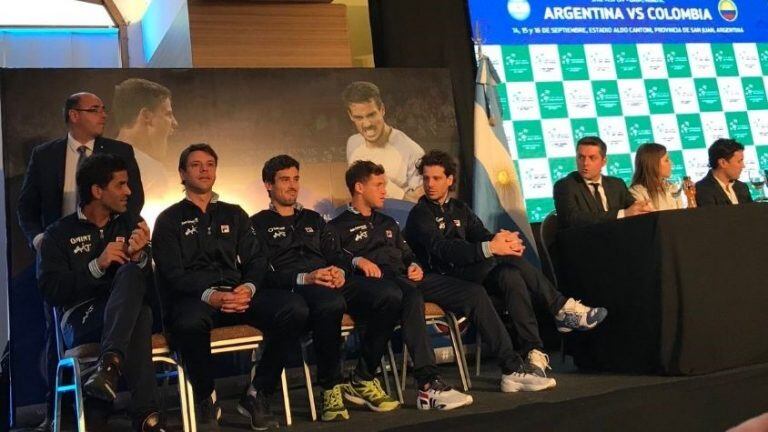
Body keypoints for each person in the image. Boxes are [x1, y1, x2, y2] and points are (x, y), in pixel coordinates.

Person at [404, 150, 608, 391]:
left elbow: (481, 236)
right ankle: (561, 308)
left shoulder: (460, 208)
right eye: (426, 178)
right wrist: (493, 247)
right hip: (444, 276)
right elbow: (444, 250)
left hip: (469, 271)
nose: (429, 184)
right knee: (502, 261)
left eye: (436, 178)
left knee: (510, 275)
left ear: (449, 180)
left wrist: (505, 240)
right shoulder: (420, 214)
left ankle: (531, 354)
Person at [152, 144, 306, 430]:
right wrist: (211, 295)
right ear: (182, 173)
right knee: (187, 321)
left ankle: (258, 393)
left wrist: (247, 287)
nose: (204, 170)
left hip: (238, 295)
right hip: (198, 300)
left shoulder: (234, 213)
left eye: (210, 164)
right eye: (196, 165)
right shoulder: (168, 220)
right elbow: (172, 274)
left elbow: (257, 259)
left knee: (294, 308)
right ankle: (205, 397)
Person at [17, 92, 144, 432]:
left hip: (112, 248)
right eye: (94, 109)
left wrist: (132, 235)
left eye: (103, 108)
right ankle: (56, 412)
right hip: (62, 253)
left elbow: (134, 201)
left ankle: (112, 397)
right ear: (74, 115)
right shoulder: (45, 156)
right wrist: (40, 239)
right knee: (56, 334)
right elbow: (26, 208)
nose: (104, 114)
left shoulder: (120, 151)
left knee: (133, 301)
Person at [250, 155, 401, 422]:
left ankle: (364, 376)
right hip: (296, 287)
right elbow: (261, 274)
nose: (292, 185)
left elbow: (336, 254)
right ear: (268, 185)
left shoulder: (314, 219)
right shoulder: (256, 224)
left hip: (329, 279)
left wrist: (340, 271)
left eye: (296, 179)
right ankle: (330, 387)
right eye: (285, 180)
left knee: (389, 294)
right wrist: (306, 278)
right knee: (329, 303)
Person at [327, 160, 473, 410]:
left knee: (418, 292)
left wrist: (414, 265)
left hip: (400, 282)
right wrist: (357, 260)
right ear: (359, 187)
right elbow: (331, 259)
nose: (385, 190)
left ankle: (369, 377)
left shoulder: (388, 223)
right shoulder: (335, 227)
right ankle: (428, 385)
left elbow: (407, 255)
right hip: (367, 288)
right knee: (408, 296)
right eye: (379, 185)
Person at [37, 154, 168, 431]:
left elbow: (153, 288)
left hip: (124, 314)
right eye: (120, 185)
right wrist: (97, 266)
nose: (129, 192)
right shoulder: (58, 234)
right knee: (137, 317)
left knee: (139, 300)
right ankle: (146, 416)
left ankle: (108, 372)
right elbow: (51, 291)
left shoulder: (130, 223)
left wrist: (141, 258)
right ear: (97, 191)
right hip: (80, 319)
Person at [343, 81, 425, 202]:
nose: (367, 124)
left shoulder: (412, 151)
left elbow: (421, 205)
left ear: (382, 109)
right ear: (350, 115)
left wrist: (392, 191)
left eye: (371, 115)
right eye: (359, 117)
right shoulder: (352, 143)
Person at [553, 136, 651, 230]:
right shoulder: (565, 185)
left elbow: (632, 208)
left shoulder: (617, 184)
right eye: (581, 157)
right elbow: (572, 219)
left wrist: (642, 208)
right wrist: (622, 214)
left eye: (592, 158)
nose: (585, 163)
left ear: (604, 161)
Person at [112, 78, 179, 209]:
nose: (175, 123)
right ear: (147, 116)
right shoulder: (153, 172)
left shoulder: (92, 159)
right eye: (168, 114)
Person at [695, 138, 753, 206]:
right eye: (739, 161)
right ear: (723, 163)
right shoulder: (702, 189)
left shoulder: (742, 187)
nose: (743, 166)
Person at [629, 143, 684, 211]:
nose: (671, 163)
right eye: (666, 160)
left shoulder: (672, 187)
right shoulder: (637, 192)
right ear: (653, 164)